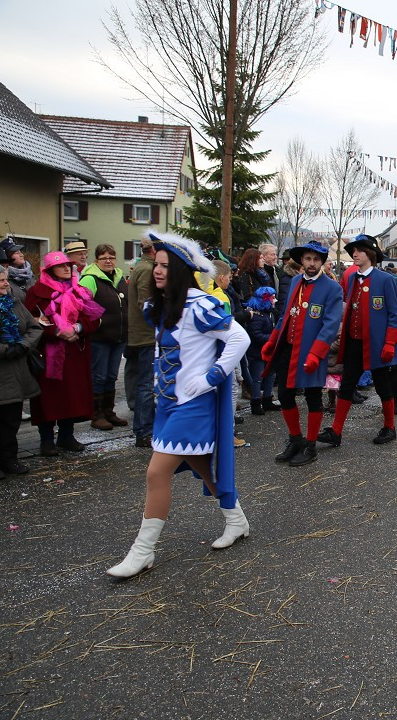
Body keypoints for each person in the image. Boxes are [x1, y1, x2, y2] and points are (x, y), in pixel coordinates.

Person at [106, 233, 251, 579]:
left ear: (182, 271)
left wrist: (212, 377)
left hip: (194, 406)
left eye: (165, 266)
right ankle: (237, 519)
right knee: (202, 465)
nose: (157, 271)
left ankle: (142, 552)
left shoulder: (200, 305)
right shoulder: (165, 306)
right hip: (170, 404)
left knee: (156, 473)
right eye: (156, 264)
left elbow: (239, 337)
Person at [261, 242, 343, 467]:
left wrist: (317, 353)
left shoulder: (332, 288)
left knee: (313, 397)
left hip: (312, 352)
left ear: (322, 262)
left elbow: (330, 324)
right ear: (302, 261)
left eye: (316, 260)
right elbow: (285, 316)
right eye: (308, 259)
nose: (312, 263)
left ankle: (311, 445)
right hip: (289, 348)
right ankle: (295, 439)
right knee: (285, 395)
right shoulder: (296, 281)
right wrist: (272, 340)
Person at [317, 234, 397, 448]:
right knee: (346, 385)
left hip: (377, 344)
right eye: (353, 250)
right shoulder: (353, 278)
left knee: (383, 386)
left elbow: (394, 315)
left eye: (360, 250)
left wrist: (390, 343)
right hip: (354, 342)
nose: (354, 253)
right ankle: (336, 431)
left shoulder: (386, 280)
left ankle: (389, 427)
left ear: (370, 254)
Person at [25, 252, 104, 456]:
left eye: (69, 266)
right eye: (62, 267)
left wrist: (76, 328)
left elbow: (93, 319)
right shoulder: (37, 292)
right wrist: (57, 332)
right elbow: (30, 321)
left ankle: (66, 436)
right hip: (49, 352)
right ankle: (46, 439)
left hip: (75, 351)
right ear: (50, 270)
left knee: (72, 395)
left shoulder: (79, 291)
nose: (67, 269)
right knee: (49, 397)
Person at [78, 244, 129, 431]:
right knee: (98, 376)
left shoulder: (118, 276)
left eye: (112, 257)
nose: (108, 261)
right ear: (96, 260)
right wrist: (96, 323)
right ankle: (96, 414)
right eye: (104, 258)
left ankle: (108, 411)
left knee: (111, 376)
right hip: (100, 337)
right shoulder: (90, 279)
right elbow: (80, 305)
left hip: (118, 336)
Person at [0, 263, 41, 478]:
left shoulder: (13, 303)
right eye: (2, 280)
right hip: (0, 370)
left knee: (11, 420)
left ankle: (9, 460)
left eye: (6, 279)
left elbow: (34, 327)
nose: (7, 283)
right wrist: (5, 350)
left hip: (16, 372)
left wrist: (23, 345)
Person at [127, 237, 156, 447]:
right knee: (146, 384)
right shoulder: (146, 269)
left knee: (146, 382)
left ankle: (146, 428)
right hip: (147, 336)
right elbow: (146, 304)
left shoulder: (143, 266)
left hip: (145, 335)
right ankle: (144, 431)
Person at [245, 286, 278, 414]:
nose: (274, 300)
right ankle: (256, 401)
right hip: (257, 352)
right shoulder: (257, 316)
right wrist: (273, 338)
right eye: (272, 297)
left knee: (271, 376)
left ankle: (267, 399)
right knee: (257, 378)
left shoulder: (269, 314)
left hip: (268, 351)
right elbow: (256, 335)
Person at [1, 238, 35, 303]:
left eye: (20, 252)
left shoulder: (30, 275)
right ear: (7, 257)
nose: (22, 255)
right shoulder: (4, 279)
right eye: (17, 253)